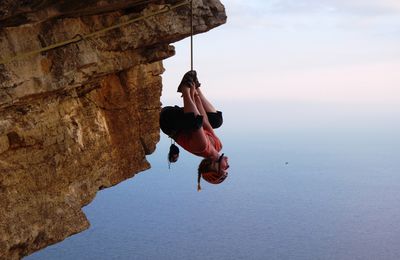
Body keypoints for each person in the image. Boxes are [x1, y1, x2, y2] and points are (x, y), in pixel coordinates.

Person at [160, 71, 229, 191]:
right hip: (184, 120)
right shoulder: (218, 146)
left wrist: (188, 92)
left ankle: (184, 87)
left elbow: (196, 121)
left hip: (169, 121)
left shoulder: (201, 147)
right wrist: (196, 93)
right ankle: (195, 85)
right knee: (216, 120)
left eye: (225, 168)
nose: (227, 166)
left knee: (196, 122)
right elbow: (206, 121)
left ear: (215, 166)